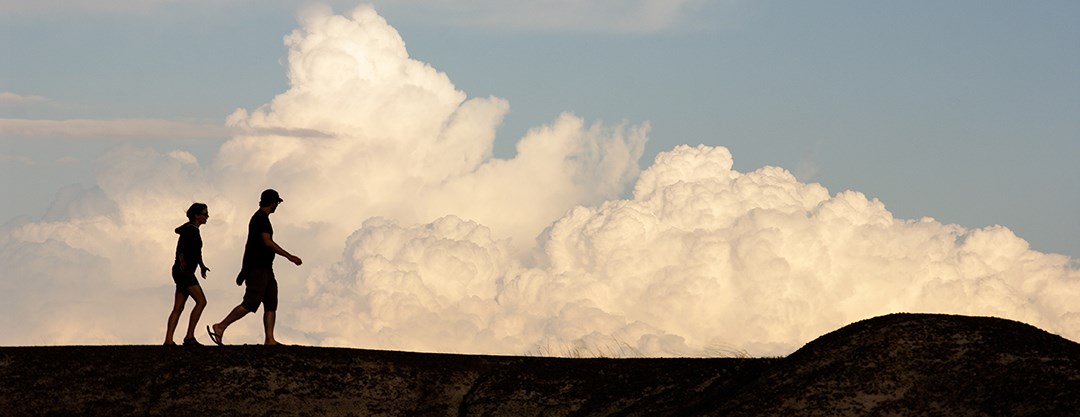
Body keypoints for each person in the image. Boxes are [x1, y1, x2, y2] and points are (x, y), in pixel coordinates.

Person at [207, 189, 302, 346]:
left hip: (266, 268)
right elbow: (267, 242)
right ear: (273, 203)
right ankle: (221, 326)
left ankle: (269, 339)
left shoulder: (261, 219)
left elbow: (251, 245)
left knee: (271, 302)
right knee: (251, 302)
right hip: (258, 268)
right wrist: (289, 256)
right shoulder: (260, 219)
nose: (276, 206)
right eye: (276, 203)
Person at [164, 203, 211, 346]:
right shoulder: (190, 230)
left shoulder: (192, 230)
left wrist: (202, 266)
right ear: (197, 215)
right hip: (184, 271)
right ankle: (189, 336)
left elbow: (197, 252)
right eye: (204, 214)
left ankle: (169, 340)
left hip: (183, 271)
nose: (207, 217)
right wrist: (182, 260)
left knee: (178, 307)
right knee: (201, 301)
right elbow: (181, 247)